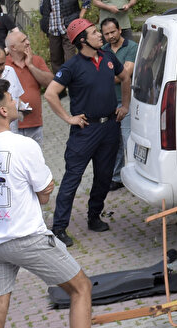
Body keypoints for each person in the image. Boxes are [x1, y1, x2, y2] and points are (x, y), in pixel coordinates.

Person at [0, 79, 93, 328]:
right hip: (25, 237)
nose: (15, 102)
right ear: (3, 111)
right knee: (80, 288)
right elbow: (45, 193)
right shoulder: (24, 145)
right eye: (11, 99)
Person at [43, 18, 132, 246]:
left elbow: (124, 78)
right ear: (83, 40)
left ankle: (94, 217)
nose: (99, 35)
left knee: (103, 177)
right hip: (85, 130)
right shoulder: (71, 66)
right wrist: (68, 118)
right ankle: (59, 228)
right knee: (72, 179)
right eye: (94, 32)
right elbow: (51, 94)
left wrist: (125, 106)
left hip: (109, 127)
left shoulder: (108, 57)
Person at [101, 18, 138, 189]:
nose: (110, 36)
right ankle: (116, 177)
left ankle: (135, 176)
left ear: (120, 30)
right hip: (108, 103)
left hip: (127, 101)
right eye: (106, 33)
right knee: (113, 141)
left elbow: (127, 72)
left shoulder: (131, 47)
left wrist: (104, 79)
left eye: (112, 32)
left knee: (128, 139)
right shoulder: (102, 51)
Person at [5, 28, 53, 146]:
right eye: (23, 41)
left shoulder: (36, 60)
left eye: (27, 39)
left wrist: (30, 65)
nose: (28, 42)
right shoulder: (3, 65)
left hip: (34, 123)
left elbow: (50, 83)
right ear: (13, 48)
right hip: (11, 126)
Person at [40, 0, 92, 73]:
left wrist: (81, 16)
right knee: (55, 60)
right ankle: (60, 84)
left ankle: (73, 82)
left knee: (70, 58)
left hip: (68, 28)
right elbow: (42, 9)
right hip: (53, 30)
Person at [0, 45, 26, 133]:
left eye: (2, 64)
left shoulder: (10, 71)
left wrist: (24, 107)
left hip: (14, 131)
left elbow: (16, 96)